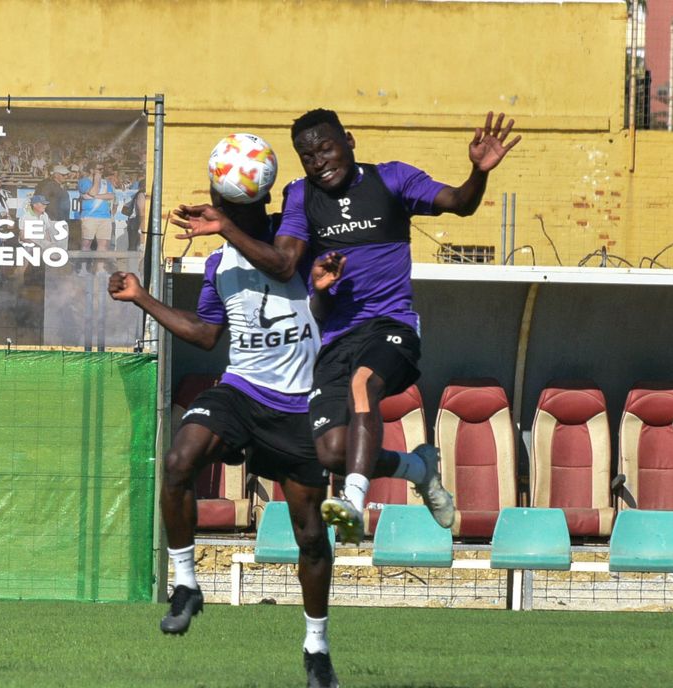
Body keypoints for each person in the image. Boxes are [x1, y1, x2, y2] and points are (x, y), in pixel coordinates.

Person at [173, 109, 519, 543]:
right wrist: (227, 225)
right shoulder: (300, 196)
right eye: (307, 155)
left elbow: (460, 203)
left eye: (326, 148)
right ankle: (417, 467)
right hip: (335, 339)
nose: (320, 161)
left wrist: (477, 173)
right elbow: (282, 264)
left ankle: (353, 501)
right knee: (334, 451)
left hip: (390, 326)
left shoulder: (392, 180)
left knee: (363, 384)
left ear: (349, 141)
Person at [108, 148, 347, 688]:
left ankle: (316, 647)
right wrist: (142, 297)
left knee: (311, 537)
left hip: (298, 405)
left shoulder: (299, 242)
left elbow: (290, 272)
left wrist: (322, 295)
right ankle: (186, 583)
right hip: (242, 391)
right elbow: (207, 335)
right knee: (178, 460)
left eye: (224, 206)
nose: (217, 211)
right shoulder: (218, 265)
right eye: (217, 203)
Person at [77, 162, 115, 252]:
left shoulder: (106, 182)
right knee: (86, 244)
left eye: (102, 169)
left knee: (103, 245)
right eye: (99, 169)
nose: (102, 171)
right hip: (89, 216)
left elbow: (111, 196)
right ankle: (84, 265)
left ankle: (100, 266)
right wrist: (97, 180)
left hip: (105, 216)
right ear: (91, 170)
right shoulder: (84, 181)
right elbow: (93, 191)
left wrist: (94, 196)